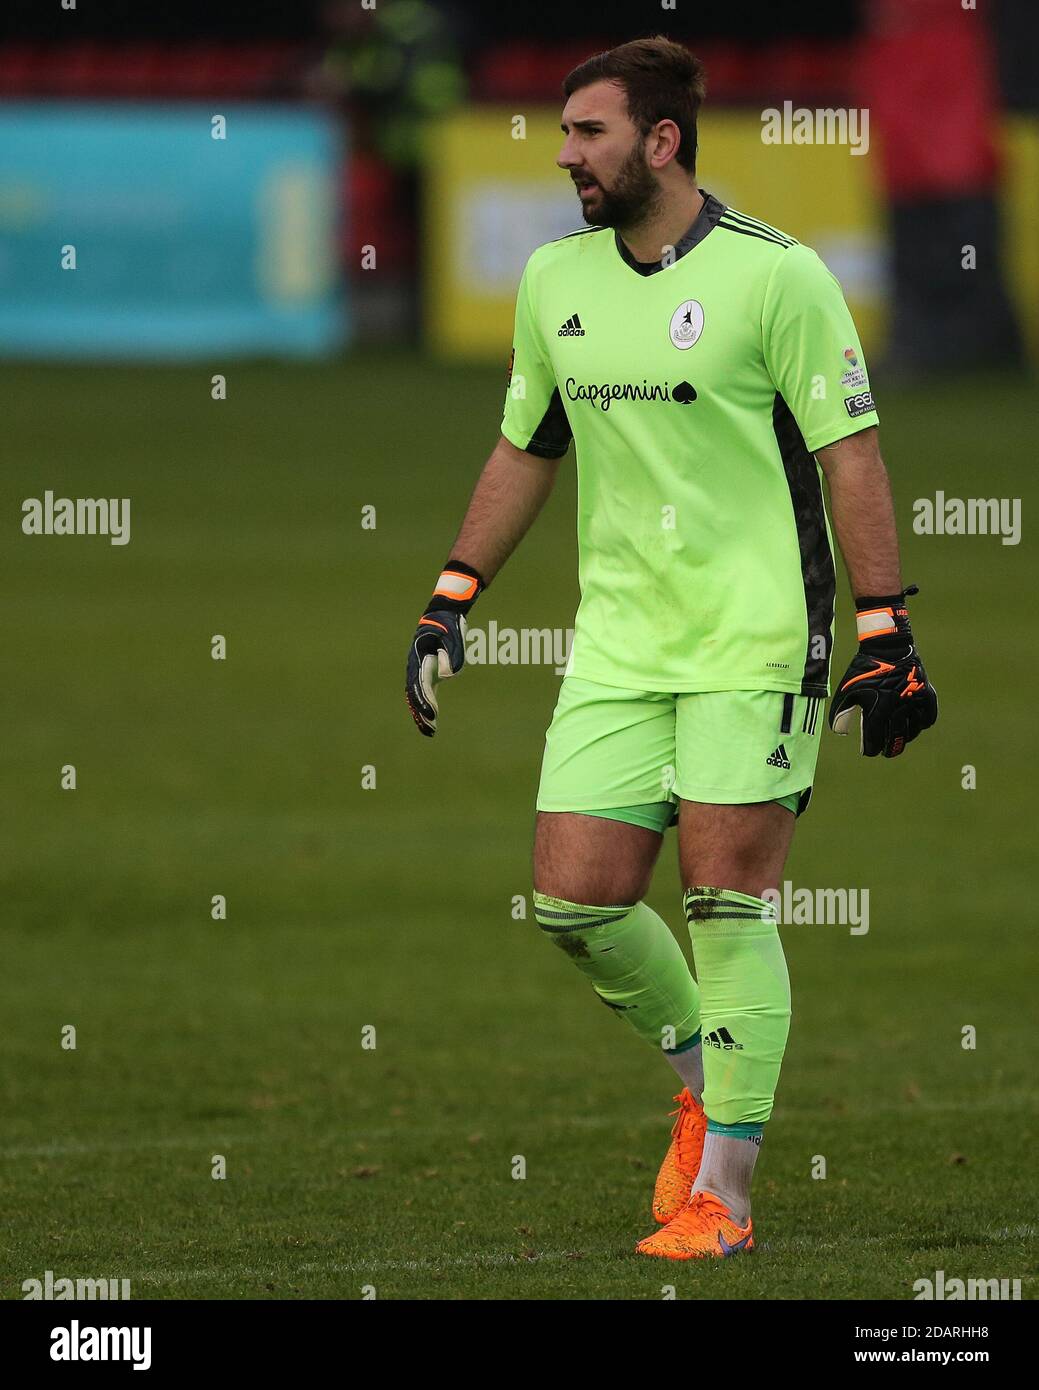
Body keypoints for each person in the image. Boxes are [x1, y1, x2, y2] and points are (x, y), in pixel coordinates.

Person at [405, 35, 937, 1259]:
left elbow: (849, 454)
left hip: (758, 638)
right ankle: (707, 1075)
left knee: (724, 899)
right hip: (618, 644)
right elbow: (527, 444)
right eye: (560, 132)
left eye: (587, 133)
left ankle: (728, 1202)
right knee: (572, 900)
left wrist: (882, 625)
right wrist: (452, 594)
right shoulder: (555, 281)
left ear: (661, 142)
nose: (563, 154)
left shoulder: (777, 279)